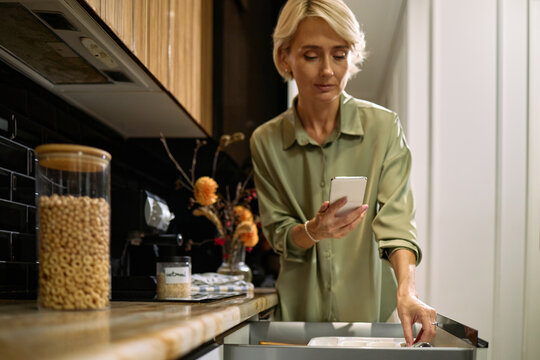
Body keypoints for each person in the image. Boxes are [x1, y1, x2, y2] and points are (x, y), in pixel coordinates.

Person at [249, 0, 437, 346]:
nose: (328, 71)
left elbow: (397, 224)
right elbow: (279, 234)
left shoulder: (383, 128)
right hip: (296, 327)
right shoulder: (266, 142)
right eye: (310, 55)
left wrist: (407, 291)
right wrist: (313, 231)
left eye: (339, 54)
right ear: (284, 57)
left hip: (368, 328)